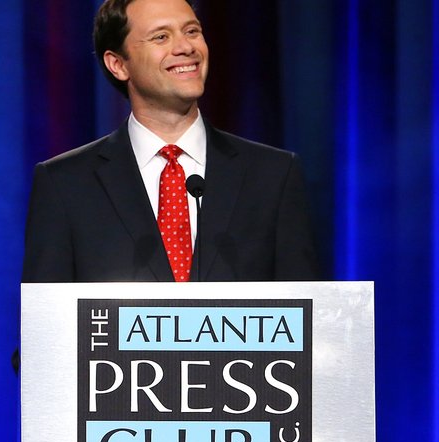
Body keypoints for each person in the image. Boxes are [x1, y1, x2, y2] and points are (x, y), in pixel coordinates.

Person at [22, 0, 319, 284]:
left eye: (192, 31)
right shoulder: (65, 184)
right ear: (118, 64)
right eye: (161, 36)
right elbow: (46, 323)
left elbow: (309, 318)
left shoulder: (273, 175)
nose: (186, 47)